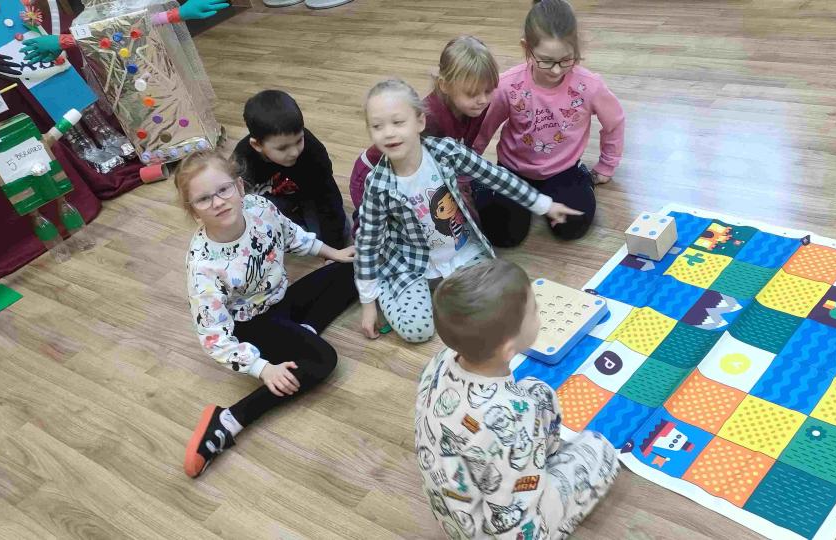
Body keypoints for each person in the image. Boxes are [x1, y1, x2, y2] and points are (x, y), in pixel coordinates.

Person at [354, 79, 581, 343]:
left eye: (398, 122)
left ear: (420, 122)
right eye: (377, 126)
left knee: (501, 302)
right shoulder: (377, 185)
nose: (388, 133)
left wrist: (544, 204)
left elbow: (496, 176)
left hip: (463, 252)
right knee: (418, 332)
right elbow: (368, 243)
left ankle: (444, 287)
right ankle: (392, 288)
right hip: (411, 266)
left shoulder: (446, 152)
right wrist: (368, 303)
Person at [177, 153, 356, 478]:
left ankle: (301, 333)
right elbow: (214, 338)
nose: (217, 202)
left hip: (281, 299)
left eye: (223, 190)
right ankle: (229, 420)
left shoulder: (259, 207)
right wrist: (263, 369)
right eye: (204, 199)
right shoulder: (203, 267)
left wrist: (335, 254)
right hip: (251, 325)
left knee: (353, 268)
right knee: (323, 361)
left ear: (239, 186)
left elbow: (292, 236)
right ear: (193, 211)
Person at [415, 259, 620, 538]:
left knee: (537, 391)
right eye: (534, 310)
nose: (540, 312)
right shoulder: (512, 416)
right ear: (508, 349)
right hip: (504, 531)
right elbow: (508, 516)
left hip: (455, 513)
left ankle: (538, 462)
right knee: (600, 450)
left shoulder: (440, 361)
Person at [473, 0, 625, 247]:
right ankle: (484, 187)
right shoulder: (508, 85)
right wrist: (468, 170)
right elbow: (483, 129)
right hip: (513, 171)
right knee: (503, 236)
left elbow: (614, 122)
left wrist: (607, 165)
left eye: (566, 60)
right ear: (526, 48)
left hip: (563, 171)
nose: (556, 70)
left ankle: (580, 180)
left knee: (573, 227)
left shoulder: (589, 85)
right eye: (546, 61)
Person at [348, 35, 501, 234]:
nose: (483, 100)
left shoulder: (475, 107)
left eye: (488, 91)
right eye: (472, 94)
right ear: (444, 85)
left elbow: (462, 149)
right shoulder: (431, 120)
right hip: (374, 178)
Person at [233, 90, 349, 249]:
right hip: (271, 202)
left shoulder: (313, 151)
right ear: (257, 145)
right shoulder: (242, 160)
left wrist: (334, 249)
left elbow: (328, 197)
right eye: (282, 148)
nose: (294, 152)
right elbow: (234, 200)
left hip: (308, 197)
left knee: (336, 233)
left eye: (299, 140)